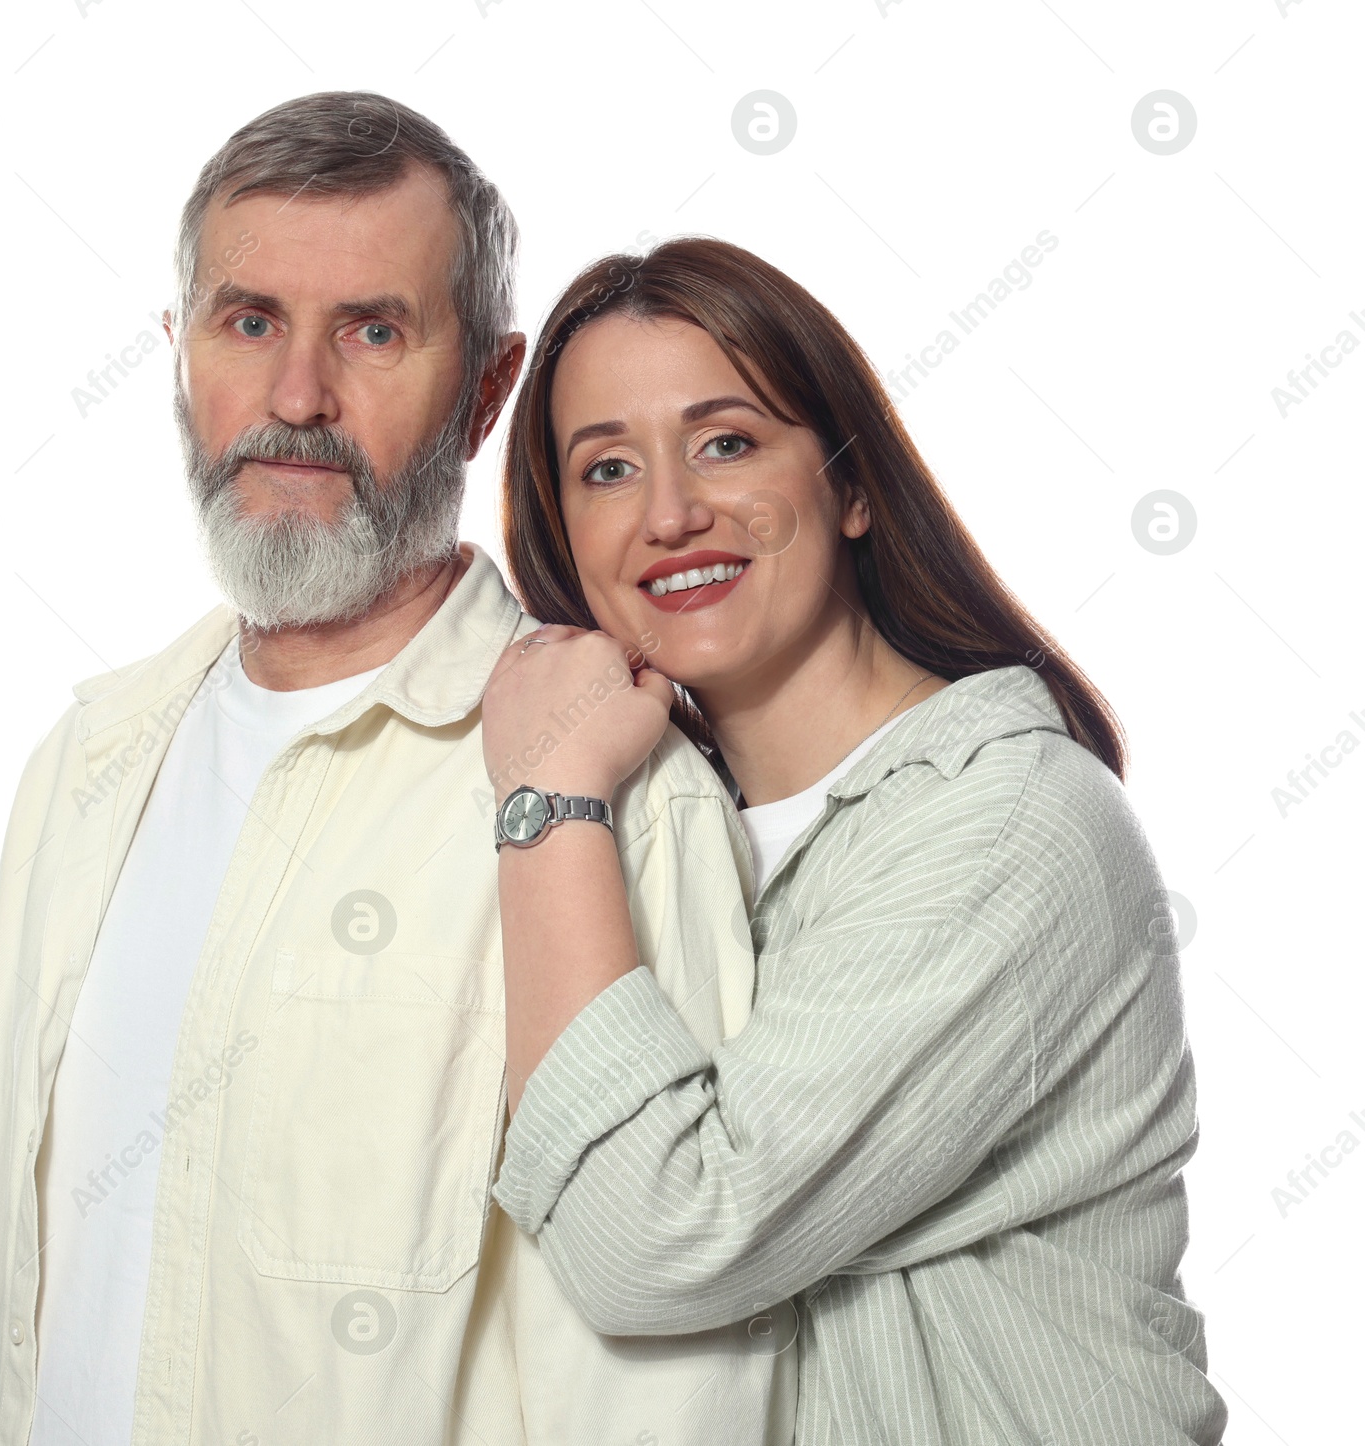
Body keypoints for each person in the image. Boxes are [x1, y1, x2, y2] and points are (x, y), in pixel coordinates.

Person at [0, 96, 794, 1446]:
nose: (297, 398)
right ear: (179, 350)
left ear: (488, 390)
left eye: (373, 331)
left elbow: (672, 1387)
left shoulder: (605, 798)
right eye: (247, 322)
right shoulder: (83, 764)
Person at [481, 237, 1229, 1445]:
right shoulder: (666, 836)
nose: (670, 513)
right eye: (607, 469)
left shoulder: (1003, 825)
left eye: (726, 442)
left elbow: (658, 1242)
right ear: (564, 538)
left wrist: (545, 795)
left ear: (849, 485)